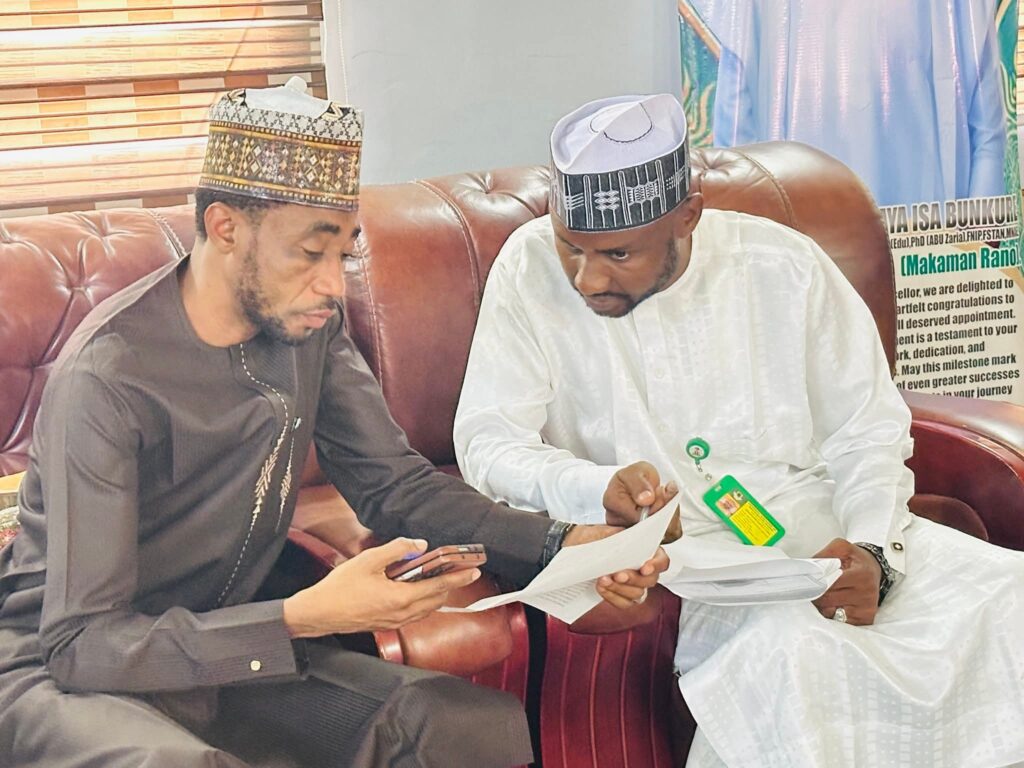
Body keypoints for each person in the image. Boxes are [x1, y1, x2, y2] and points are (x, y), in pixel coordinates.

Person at [0, 80, 665, 768]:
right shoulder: (108, 379)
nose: (333, 283)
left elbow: (396, 486)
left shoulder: (307, 325)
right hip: (69, 680)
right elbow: (83, 643)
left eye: (343, 253)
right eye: (309, 252)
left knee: (458, 727)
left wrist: (563, 545)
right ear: (226, 229)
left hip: (229, 652)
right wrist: (306, 616)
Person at [454, 93, 1024, 767]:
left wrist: (874, 551)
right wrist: (594, 485)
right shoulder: (528, 266)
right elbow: (486, 442)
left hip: (818, 525)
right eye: (570, 247)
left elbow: (866, 429)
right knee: (797, 655)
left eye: (618, 254)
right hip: (691, 561)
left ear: (687, 217)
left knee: (1009, 597)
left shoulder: (783, 264)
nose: (586, 277)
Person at [687, 0, 1007, 207]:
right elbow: (737, 123)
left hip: (926, 236)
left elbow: (986, 123)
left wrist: (981, 236)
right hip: (803, 229)